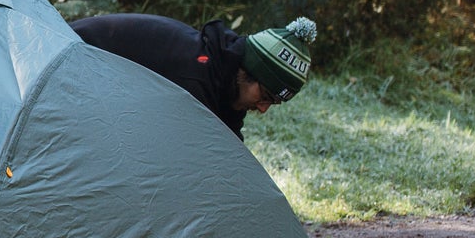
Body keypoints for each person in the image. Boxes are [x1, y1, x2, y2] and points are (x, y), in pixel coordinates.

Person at [70, 13, 317, 138]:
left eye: (273, 103)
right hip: (73, 59)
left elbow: (228, 150)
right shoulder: (195, 80)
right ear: (248, 71)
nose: (263, 109)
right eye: (265, 96)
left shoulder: (225, 72)